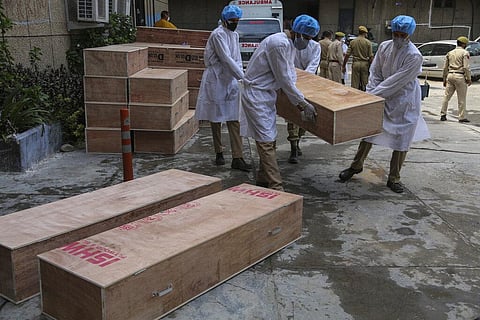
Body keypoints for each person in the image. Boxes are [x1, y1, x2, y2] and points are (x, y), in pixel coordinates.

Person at [338, 15, 430, 193]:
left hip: (404, 100)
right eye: (396, 33)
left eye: (402, 35)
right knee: (369, 132)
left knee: (402, 139)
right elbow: (376, 72)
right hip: (383, 96)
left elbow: (396, 81)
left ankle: (394, 178)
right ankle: (356, 165)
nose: (398, 38)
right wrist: (372, 91)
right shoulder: (384, 46)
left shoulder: (414, 55)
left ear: (409, 35)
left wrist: (372, 95)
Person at [240, 14, 320, 191]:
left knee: (269, 138)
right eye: (306, 38)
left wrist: (303, 96)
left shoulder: (289, 45)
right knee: (266, 141)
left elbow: (290, 73)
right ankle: (277, 187)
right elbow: (284, 78)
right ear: (296, 32)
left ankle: (262, 179)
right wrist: (302, 104)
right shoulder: (279, 44)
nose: (307, 42)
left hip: (267, 95)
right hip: (256, 95)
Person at [195, 5, 251, 171]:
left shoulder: (234, 35)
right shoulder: (218, 34)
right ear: (225, 20)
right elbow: (226, 59)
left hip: (230, 79)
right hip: (217, 79)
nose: (235, 23)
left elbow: (237, 59)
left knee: (234, 118)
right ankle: (219, 152)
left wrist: (241, 77)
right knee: (216, 117)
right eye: (232, 21)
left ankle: (237, 157)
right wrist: (242, 77)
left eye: (237, 21)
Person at [287, 35, 321, 164]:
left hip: (308, 83)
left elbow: (313, 64)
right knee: (293, 116)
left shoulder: (315, 46)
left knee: (306, 115)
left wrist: (303, 78)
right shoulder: (290, 44)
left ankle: (298, 140)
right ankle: (293, 147)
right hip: (291, 83)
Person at [440, 36, 472, 123]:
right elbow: (466, 67)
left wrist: (444, 79)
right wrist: (469, 78)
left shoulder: (450, 53)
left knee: (446, 96)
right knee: (461, 98)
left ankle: (443, 114)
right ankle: (461, 117)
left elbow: (445, 67)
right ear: (463, 44)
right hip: (460, 76)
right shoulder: (465, 53)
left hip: (450, 75)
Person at [342, 26, 373, 91]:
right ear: (365, 33)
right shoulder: (368, 42)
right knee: (365, 83)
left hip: (355, 64)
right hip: (365, 64)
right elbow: (371, 57)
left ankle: (355, 97)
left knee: (354, 84)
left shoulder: (353, 42)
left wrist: (344, 65)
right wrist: (371, 67)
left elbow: (347, 55)